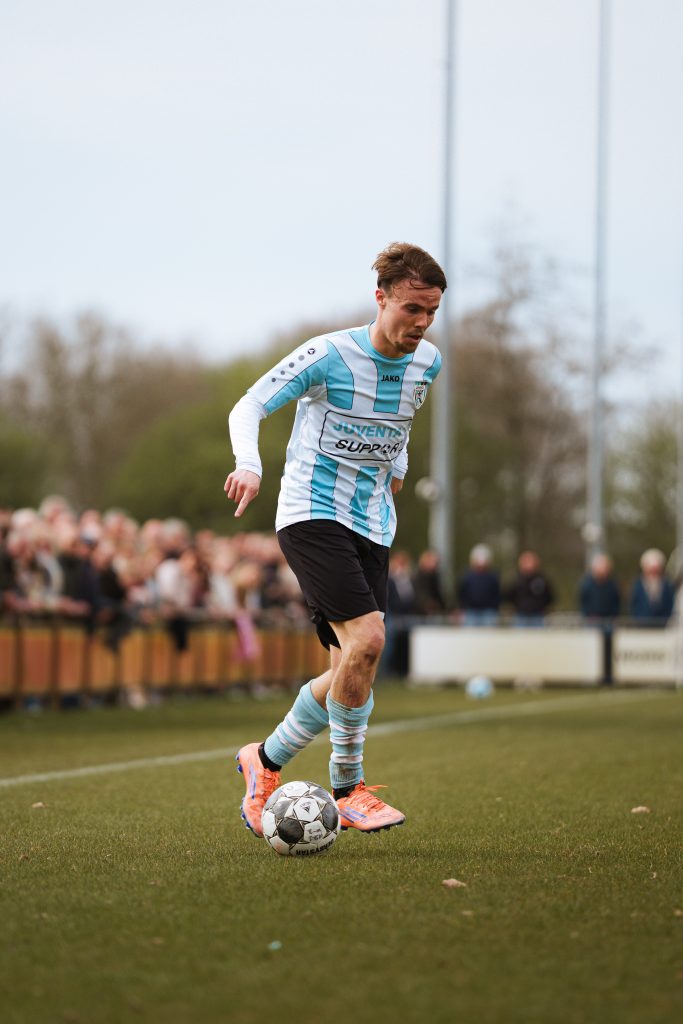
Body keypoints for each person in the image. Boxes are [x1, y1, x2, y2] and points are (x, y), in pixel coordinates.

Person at [224, 241, 446, 835]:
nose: (421, 324)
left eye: (431, 313)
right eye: (410, 310)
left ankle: (263, 761)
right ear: (380, 299)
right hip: (311, 515)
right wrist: (251, 463)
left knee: (351, 666)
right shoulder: (328, 354)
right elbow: (249, 404)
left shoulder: (429, 363)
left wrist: (397, 468)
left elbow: (401, 419)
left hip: (373, 525)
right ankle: (348, 788)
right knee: (369, 641)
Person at [579, 552, 621, 684]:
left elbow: (616, 602)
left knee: (608, 651)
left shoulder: (612, 584)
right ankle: (591, 677)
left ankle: (608, 677)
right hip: (593, 621)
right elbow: (583, 602)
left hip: (608, 621)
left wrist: (614, 616)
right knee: (592, 651)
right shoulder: (587, 584)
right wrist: (588, 615)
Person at [503, 550, 554, 626]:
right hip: (520, 616)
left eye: (530, 561)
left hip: (537, 616)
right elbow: (508, 595)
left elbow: (550, 596)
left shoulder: (542, 579)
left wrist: (542, 607)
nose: (528, 564)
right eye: (526, 561)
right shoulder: (516, 579)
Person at [457, 544, 500, 626]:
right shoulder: (467, 576)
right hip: (470, 612)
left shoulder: (493, 577)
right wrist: (462, 608)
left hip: (488, 612)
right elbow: (462, 593)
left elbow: (497, 594)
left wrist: (495, 608)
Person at [629, 548, 675, 627]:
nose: (653, 573)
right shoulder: (638, 585)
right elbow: (634, 606)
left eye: (656, 570)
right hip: (642, 627)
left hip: (662, 627)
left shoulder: (667, 585)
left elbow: (670, 605)